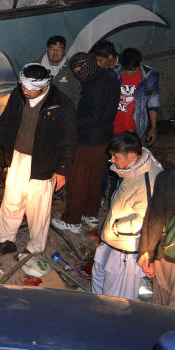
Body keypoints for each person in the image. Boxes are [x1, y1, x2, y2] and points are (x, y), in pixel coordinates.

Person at [0, 63, 76, 256]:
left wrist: (62, 169)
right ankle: (5, 240)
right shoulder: (18, 94)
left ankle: (35, 247)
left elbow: (69, 140)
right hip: (18, 156)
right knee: (11, 200)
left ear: (44, 87)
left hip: (44, 161)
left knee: (38, 208)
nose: (25, 91)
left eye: (30, 89)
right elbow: (5, 121)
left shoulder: (62, 105)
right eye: (23, 86)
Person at [52, 51, 119, 233]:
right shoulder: (108, 78)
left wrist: (71, 122)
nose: (76, 74)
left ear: (87, 66)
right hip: (104, 137)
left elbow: (92, 116)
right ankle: (91, 214)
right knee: (95, 178)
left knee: (78, 179)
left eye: (78, 69)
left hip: (89, 139)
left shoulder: (95, 87)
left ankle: (72, 219)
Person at [92, 132, 162, 299]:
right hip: (113, 241)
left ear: (132, 156)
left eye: (115, 157)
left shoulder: (146, 183)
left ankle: (110, 323)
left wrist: (117, 227)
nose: (112, 161)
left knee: (115, 297)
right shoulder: (134, 169)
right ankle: (95, 312)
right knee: (99, 278)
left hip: (125, 251)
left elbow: (144, 220)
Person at [138, 155, 175, 317]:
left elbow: (154, 218)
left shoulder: (167, 178)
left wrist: (147, 253)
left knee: (162, 307)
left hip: (166, 254)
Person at [113, 47, 160, 146]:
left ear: (140, 64)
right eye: (125, 70)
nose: (129, 74)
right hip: (111, 125)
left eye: (132, 70)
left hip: (133, 127)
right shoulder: (114, 73)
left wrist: (153, 128)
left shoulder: (149, 79)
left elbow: (153, 105)